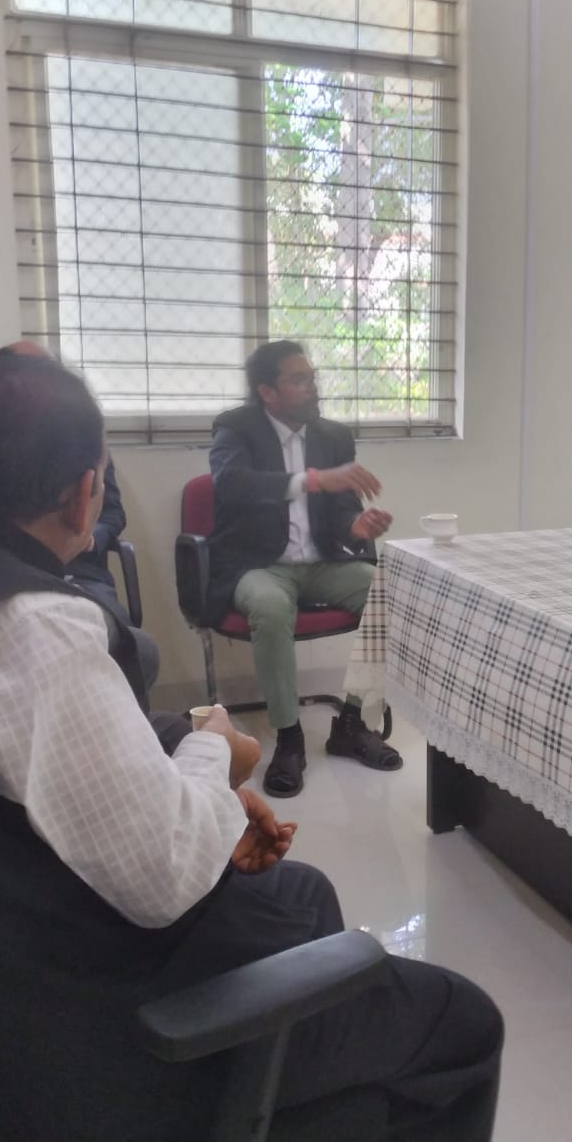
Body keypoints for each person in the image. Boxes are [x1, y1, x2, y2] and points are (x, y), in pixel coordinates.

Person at [0, 356, 503, 1142]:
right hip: (71, 1022)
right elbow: (164, 878)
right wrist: (213, 752)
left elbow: (4, 750)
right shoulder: (24, 625)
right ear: (83, 493)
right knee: (459, 1021)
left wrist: (187, 759)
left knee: (300, 895)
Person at [208, 340, 399, 798]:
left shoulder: (332, 436)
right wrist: (312, 480)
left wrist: (356, 525)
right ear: (267, 392)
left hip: (324, 563)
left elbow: (342, 509)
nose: (312, 387)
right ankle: (289, 737)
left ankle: (351, 723)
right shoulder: (235, 429)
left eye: (312, 377)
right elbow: (232, 485)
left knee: (389, 595)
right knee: (271, 607)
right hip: (260, 565)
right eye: (298, 379)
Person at [0, 340, 161, 686]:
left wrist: (90, 536)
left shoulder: (85, 436)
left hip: (83, 575)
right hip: (10, 579)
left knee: (132, 649)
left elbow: (113, 512)